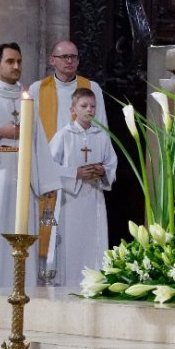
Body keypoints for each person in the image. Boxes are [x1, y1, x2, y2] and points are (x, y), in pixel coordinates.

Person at [0, 42, 61, 290]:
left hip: (21, 181)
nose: (16, 66)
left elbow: (38, 142)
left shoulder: (27, 101)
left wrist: (46, 183)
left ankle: (21, 291)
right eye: (10, 61)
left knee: (21, 238)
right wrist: (0, 132)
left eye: (19, 61)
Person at [48, 88, 117, 287]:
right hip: (71, 201)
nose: (89, 110)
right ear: (73, 109)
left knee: (93, 242)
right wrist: (75, 173)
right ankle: (67, 283)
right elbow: (50, 166)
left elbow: (112, 163)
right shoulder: (64, 135)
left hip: (94, 196)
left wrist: (102, 170)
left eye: (93, 106)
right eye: (84, 106)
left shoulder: (102, 136)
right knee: (71, 244)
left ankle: (94, 284)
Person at [28, 40, 106, 141]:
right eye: (64, 57)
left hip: (82, 150)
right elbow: (30, 128)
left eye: (73, 57)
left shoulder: (92, 87)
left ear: (78, 61)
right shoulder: (37, 89)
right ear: (52, 60)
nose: (69, 61)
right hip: (47, 153)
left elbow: (101, 126)